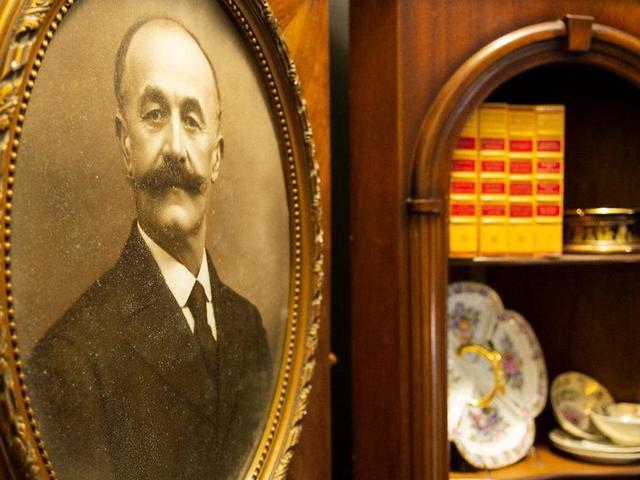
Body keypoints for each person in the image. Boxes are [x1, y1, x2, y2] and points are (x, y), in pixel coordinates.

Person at [26, 17, 271, 480]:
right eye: (155, 115)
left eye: (192, 120)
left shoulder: (248, 328)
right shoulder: (69, 361)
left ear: (216, 158)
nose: (175, 147)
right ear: (125, 143)